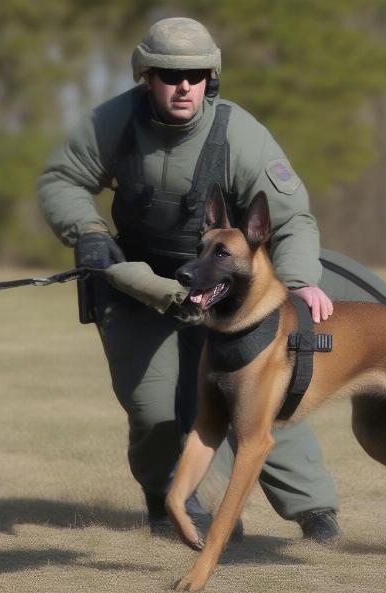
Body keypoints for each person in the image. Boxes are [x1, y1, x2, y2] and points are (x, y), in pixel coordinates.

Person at [38, 17, 340, 542]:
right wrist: (87, 230)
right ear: (145, 78)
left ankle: (314, 510)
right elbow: (61, 178)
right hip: (138, 284)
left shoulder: (241, 135)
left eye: (197, 75)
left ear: (211, 78)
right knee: (153, 407)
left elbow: (292, 220)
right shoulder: (113, 123)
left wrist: (294, 283)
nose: (184, 86)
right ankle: (168, 503)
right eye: (170, 75)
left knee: (259, 394)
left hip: (228, 288)